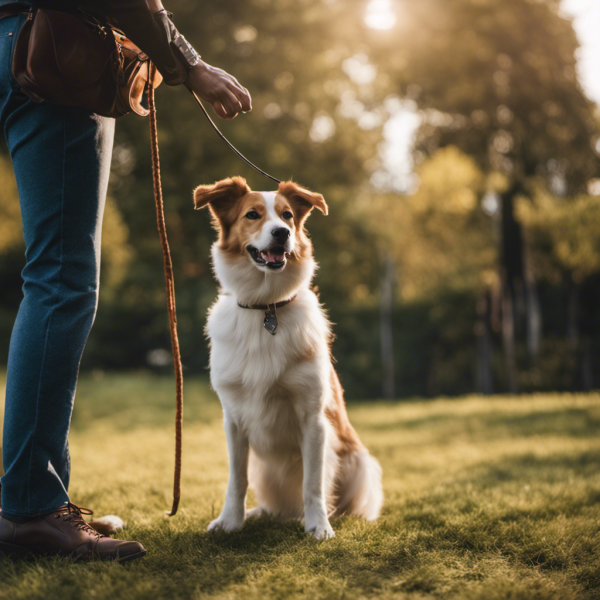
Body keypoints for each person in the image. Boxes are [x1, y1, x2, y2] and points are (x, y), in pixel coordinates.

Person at [0, 0, 251, 562]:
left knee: (51, 279)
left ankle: (36, 498)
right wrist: (190, 64)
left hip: (12, 42)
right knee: (61, 281)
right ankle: (30, 509)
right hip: (53, 56)